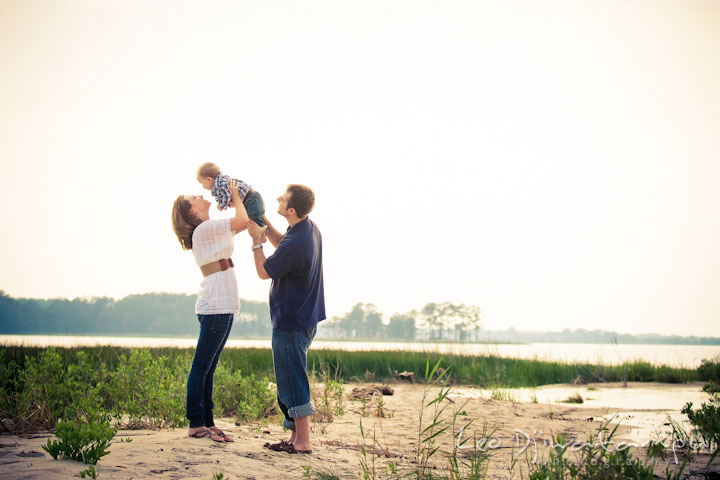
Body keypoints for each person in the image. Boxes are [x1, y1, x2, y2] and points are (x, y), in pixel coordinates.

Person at [247, 184, 325, 454]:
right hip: (305, 317)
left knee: (292, 381)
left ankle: (302, 442)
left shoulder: (298, 241)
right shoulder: (307, 228)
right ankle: (294, 439)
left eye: (282, 199)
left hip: (291, 320)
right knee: (289, 379)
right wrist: (263, 220)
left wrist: (256, 240)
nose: (277, 198)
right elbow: (283, 245)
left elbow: (263, 271)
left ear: (291, 210)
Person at [171, 179, 249, 443]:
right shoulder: (204, 230)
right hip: (215, 305)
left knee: (209, 367)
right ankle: (196, 422)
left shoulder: (210, 230)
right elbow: (240, 221)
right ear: (192, 211)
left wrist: (233, 201)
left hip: (223, 304)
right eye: (195, 197)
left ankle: (208, 421)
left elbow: (242, 222)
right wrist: (236, 195)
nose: (201, 196)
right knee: (201, 366)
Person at [197, 161, 266, 227]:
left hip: (250, 200)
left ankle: (261, 232)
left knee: (255, 222)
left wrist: (221, 205)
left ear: (209, 179)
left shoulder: (220, 185)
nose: (203, 186)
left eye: (202, 184)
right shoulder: (223, 180)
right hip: (252, 198)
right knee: (254, 221)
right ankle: (262, 231)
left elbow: (227, 195)